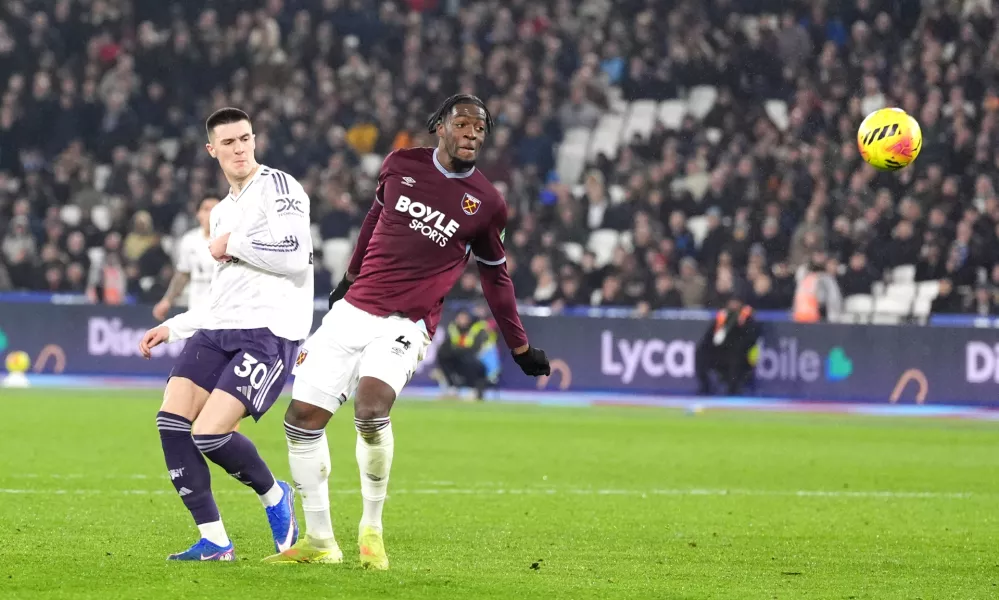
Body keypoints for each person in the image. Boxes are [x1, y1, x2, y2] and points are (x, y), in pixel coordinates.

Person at [265, 94, 551, 569]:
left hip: (407, 322)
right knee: (300, 421)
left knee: (371, 409)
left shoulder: (487, 203)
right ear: (439, 126)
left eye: (480, 129)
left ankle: (371, 530)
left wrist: (519, 346)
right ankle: (320, 541)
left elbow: (495, 277)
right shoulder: (400, 164)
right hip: (354, 309)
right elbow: (375, 219)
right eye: (463, 124)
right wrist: (350, 278)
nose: (472, 134)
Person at [137, 108, 314, 561]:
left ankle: (276, 496)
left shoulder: (279, 187)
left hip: (268, 333)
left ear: (254, 140)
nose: (240, 149)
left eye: (246, 139)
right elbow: (221, 297)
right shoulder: (221, 213)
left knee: (210, 434)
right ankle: (215, 540)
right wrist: (173, 326)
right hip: (218, 329)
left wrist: (233, 244)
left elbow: (295, 256)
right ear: (211, 150)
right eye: (229, 143)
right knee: (171, 421)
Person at [153, 197, 220, 321]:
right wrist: (167, 300)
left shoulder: (231, 241)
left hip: (225, 315)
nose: (211, 213)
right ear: (198, 214)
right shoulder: (190, 240)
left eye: (215, 209)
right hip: (197, 313)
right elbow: (183, 274)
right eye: (206, 209)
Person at [695, 292, 761, 396]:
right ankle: (705, 386)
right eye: (731, 302)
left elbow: (751, 337)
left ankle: (733, 388)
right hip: (720, 352)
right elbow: (709, 336)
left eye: (736, 302)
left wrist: (740, 327)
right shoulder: (723, 316)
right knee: (700, 353)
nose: (733, 305)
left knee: (735, 356)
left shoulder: (747, 317)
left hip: (740, 354)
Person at [434, 307, 500, 400]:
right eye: (460, 317)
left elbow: (475, 350)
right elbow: (447, 347)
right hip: (465, 360)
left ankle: (474, 389)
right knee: (444, 354)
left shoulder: (479, 328)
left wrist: (457, 350)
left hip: (483, 365)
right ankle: (452, 388)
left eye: (464, 317)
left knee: (468, 358)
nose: (462, 320)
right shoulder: (454, 328)